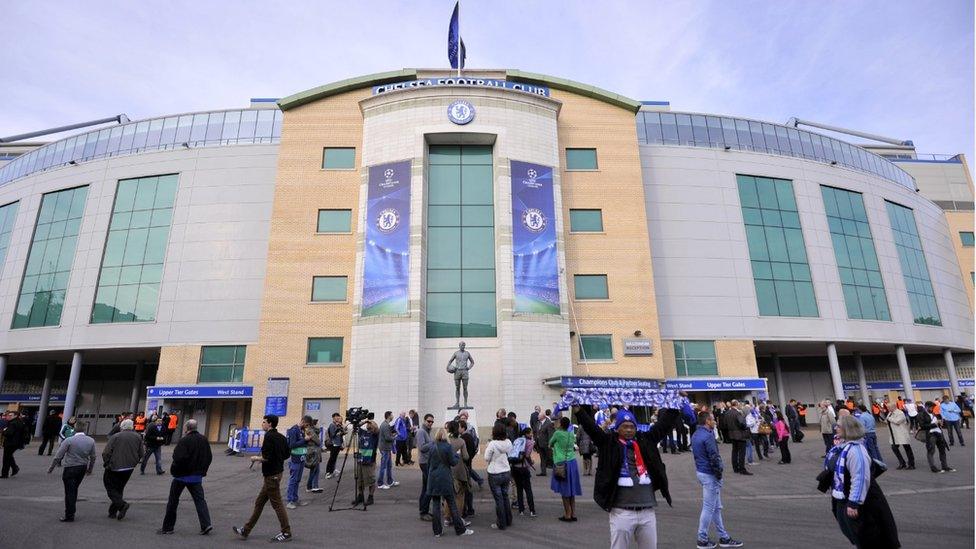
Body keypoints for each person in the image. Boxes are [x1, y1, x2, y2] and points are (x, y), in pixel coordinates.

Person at [577, 402, 686, 549]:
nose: (629, 430)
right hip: (621, 512)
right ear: (617, 428)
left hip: (647, 511)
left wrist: (675, 404)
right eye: (625, 426)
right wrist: (578, 410)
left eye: (632, 426)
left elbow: (663, 426)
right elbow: (592, 428)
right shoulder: (608, 443)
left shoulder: (645, 441)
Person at [822, 415, 900, 548]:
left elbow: (860, 477)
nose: (836, 428)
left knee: (868, 536)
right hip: (844, 497)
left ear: (848, 429)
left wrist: (854, 502)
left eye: (839, 426)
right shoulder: (842, 447)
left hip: (862, 502)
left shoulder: (856, 450)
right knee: (855, 534)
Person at [233, 414, 292, 543]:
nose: (262, 424)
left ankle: (286, 532)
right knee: (259, 502)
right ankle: (246, 529)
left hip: (272, 475)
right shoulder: (281, 437)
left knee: (277, 504)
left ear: (270, 424)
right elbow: (287, 453)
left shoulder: (269, 437)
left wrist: (255, 458)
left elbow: (266, 457)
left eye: (264, 422)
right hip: (276, 473)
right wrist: (277, 459)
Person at [691, 411, 743, 549]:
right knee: (709, 507)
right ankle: (702, 538)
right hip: (709, 474)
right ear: (707, 421)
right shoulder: (708, 437)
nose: (715, 421)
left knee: (715, 508)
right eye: (713, 419)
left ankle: (723, 537)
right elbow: (714, 457)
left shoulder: (696, 434)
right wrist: (719, 474)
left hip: (702, 472)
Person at [158, 419, 213, 535]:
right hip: (196, 477)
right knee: (200, 501)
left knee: (173, 501)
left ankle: (168, 527)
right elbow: (208, 457)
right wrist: (202, 470)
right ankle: (206, 524)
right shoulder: (203, 439)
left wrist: (176, 469)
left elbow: (178, 457)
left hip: (181, 476)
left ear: (186, 428)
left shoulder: (184, 440)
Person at [426, 427, 474, 538]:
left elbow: (429, 463)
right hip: (445, 478)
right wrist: (457, 455)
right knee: (452, 503)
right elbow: (453, 462)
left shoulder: (432, 447)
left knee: (436, 505)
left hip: (433, 478)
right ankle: (460, 529)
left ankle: (437, 531)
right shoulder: (448, 447)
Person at [48, 427, 96, 522]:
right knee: (74, 489)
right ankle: (71, 510)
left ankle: (69, 514)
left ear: (74, 431)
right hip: (82, 467)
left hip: (70, 467)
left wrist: (51, 468)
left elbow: (59, 455)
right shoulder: (91, 441)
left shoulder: (69, 440)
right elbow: (93, 456)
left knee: (70, 491)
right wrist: (90, 469)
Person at [102, 419, 143, 520]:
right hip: (129, 467)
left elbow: (106, 452)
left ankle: (122, 505)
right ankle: (112, 512)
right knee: (119, 488)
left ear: (122, 427)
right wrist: (135, 461)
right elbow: (141, 453)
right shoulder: (138, 437)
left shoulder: (116, 436)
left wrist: (107, 463)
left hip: (114, 467)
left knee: (110, 488)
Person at [549, 416, 582, 522]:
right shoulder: (571, 434)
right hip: (572, 462)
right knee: (571, 490)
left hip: (561, 462)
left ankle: (567, 514)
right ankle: (573, 513)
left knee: (564, 489)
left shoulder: (557, 433)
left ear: (561, 424)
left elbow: (550, 443)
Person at [484, 424, 514, 530]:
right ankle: (508, 519)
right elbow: (510, 453)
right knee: (505, 496)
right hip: (506, 470)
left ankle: (501, 523)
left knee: (499, 499)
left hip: (494, 472)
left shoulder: (492, 444)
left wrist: (489, 447)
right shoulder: (508, 442)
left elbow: (486, 458)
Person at [917, 402, 954, 474]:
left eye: (933, 407)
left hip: (939, 433)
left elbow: (937, 423)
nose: (932, 409)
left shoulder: (933, 414)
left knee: (942, 450)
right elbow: (922, 426)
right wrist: (934, 424)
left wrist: (941, 423)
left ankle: (945, 466)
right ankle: (933, 467)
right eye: (931, 407)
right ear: (927, 407)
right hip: (930, 434)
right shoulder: (921, 414)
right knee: (931, 451)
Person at [285, 415, 312, 508]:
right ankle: (289, 500)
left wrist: (307, 440)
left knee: (297, 480)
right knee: (293, 479)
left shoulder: (301, 430)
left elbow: (303, 443)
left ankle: (295, 499)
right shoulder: (294, 430)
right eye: (307, 425)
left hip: (301, 458)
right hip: (295, 458)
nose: (307, 427)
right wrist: (304, 439)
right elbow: (292, 445)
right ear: (303, 421)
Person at [351, 420, 380, 507]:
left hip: (370, 461)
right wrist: (364, 421)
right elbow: (356, 427)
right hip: (360, 459)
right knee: (359, 480)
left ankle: (370, 497)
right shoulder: (362, 432)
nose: (369, 425)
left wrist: (371, 421)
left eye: (370, 425)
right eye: (368, 424)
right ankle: (360, 496)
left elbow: (377, 429)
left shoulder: (374, 435)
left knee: (371, 480)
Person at [510, 427, 537, 517]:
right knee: (528, 489)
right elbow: (527, 455)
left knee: (519, 489)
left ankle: (521, 510)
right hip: (523, 467)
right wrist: (531, 461)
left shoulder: (517, 440)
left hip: (515, 467)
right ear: (526, 434)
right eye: (530, 433)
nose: (532, 434)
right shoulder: (530, 442)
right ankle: (532, 510)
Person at [447, 420, 471, 518]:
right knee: (460, 495)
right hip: (458, 469)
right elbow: (466, 457)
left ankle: (447, 518)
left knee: (448, 496)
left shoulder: (446, 440)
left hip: (447, 469)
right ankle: (459, 517)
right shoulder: (461, 441)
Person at [722, 401, 750, 475]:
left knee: (734, 451)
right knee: (741, 452)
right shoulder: (737, 413)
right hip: (740, 435)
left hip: (732, 434)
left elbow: (724, 424)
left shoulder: (727, 413)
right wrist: (745, 427)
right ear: (737, 405)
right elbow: (742, 423)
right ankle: (742, 469)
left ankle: (735, 468)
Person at [417, 413, 436, 521]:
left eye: (432, 422)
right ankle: (423, 512)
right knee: (429, 487)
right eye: (429, 421)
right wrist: (433, 442)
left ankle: (423, 510)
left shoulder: (427, 432)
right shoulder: (421, 432)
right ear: (424, 421)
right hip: (425, 462)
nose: (430, 423)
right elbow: (422, 447)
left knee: (425, 487)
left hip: (428, 461)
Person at [885, 405, 914, 470]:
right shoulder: (890, 413)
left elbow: (897, 421)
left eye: (889, 407)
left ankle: (911, 464)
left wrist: (889, 419)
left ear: (893, 407)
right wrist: (887, 420)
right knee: (894, 447)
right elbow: (887, 420)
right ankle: (902, 463)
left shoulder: (900, 413)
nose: (887, 408)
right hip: (894, 434)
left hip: (901, 434)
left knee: (907, 448)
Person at [458, 420, 478, 517]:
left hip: (464, 465)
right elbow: (474, 450)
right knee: (468, 488)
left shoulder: (463, 438)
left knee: (464, 489)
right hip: (469, 464)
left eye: (459, 426)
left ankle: (465, 509)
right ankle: (470, 509)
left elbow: (462, 454)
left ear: (463, 428)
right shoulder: (469, 437)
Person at [1, 411, 27, 478]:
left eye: (11, 415)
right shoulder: (20, 422)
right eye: (9, 415)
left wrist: (4, 431)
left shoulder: (13, 423)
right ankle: (15, 468)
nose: (9, 416)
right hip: (17, 443)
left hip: (10, 443)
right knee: (9, 456)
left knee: (6, 458)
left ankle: (5, 474)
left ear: (15, 416)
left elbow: (9, 433)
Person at [377, 411, 396, 489]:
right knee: (383, 466)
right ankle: (380, 483)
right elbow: (387, 438)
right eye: (392, 415)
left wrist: (392, 435)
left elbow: (387, 436)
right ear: (389, 416)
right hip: (385, 448)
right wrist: (394, 437)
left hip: (386, 448)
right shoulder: (385, 425)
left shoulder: (386, 425)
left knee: (389, 465)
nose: (393, 416)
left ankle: (390, 481)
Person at [324, 413, 346, 479]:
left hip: (338, 444)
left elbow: (340, 434)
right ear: (333, 418)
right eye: (336, 417)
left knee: (334, 458)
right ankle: (328, 472)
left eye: (338, 417)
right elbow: (332, 435)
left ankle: (332, 471)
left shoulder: (338, 425)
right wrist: (337, 429)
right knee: (331, 459)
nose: (337, 418)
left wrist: (342, 431)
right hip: (333, 444)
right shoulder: (332, 425)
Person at [304, 418, 323, 494]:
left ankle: (313, 486)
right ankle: (312, 486)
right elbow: (318, 442)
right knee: (314, 469)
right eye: (318, 424)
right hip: (313, 452)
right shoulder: (310, 431)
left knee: (316, 470)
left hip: (315, 452)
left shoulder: (313, 431)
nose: (319, 425)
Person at [535, 409, 554, 476]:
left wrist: (550, 443)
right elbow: (536, 432)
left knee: (550, 458)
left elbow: (550, 434)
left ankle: (557, 469)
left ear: (543, 416)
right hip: (539, 444)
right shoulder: (538, 423)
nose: (537, 417)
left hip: (546, 444)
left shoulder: (548, 423)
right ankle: (543, 472)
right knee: (542, 458)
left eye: (539, 416)